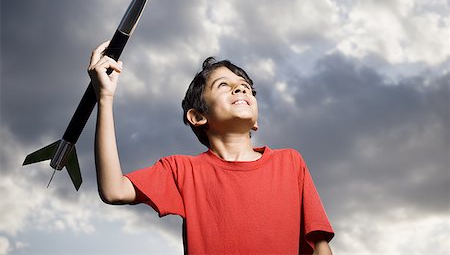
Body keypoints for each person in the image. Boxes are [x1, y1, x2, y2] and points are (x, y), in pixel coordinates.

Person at [88, 40, 334, 255]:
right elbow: (114, 191)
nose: (240, 88)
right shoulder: (182, 170)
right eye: (223, 86)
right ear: (197, 116)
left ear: (256, 120)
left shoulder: (290, 163)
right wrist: (105, 98)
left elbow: (320, 247)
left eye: (244, 86)